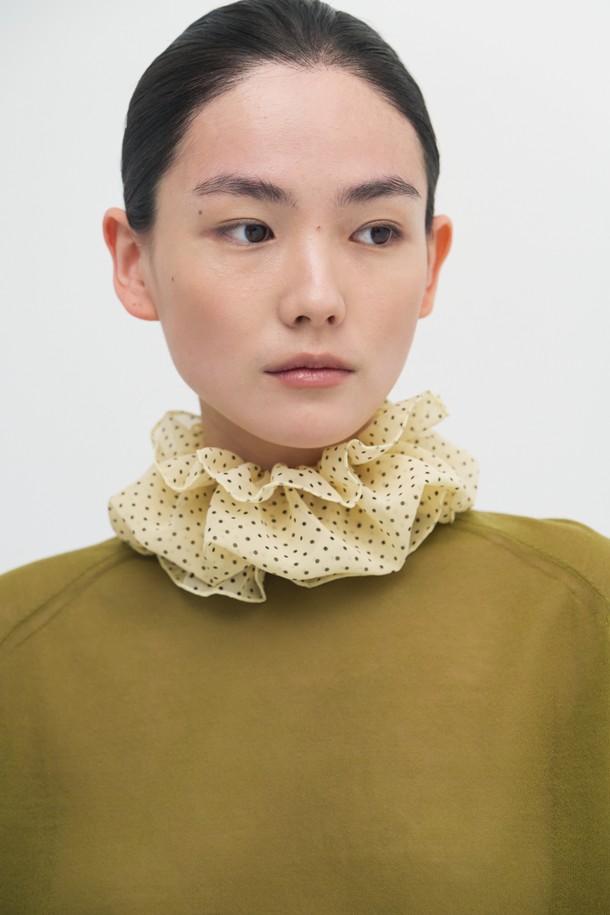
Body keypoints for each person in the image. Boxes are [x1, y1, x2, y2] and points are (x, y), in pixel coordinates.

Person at [1, 0, 608, 911]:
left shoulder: (583, 612)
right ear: (132, 261)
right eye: (249, 229)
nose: (317, 297)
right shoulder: (18, 650)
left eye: (376, 232)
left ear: (432, 262)